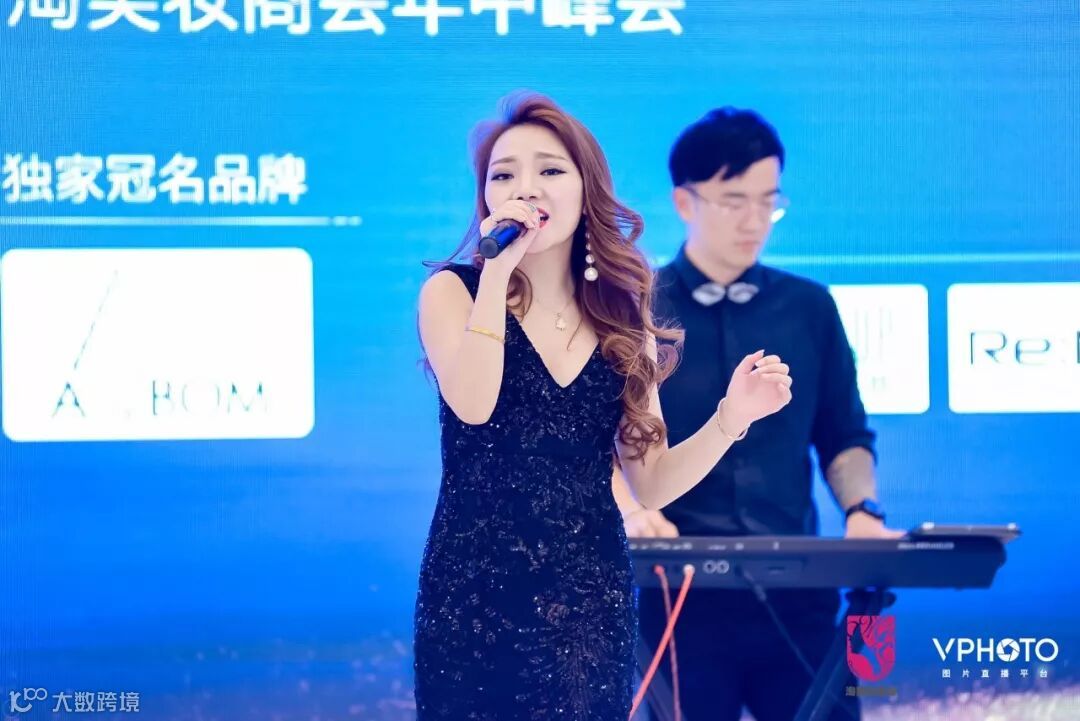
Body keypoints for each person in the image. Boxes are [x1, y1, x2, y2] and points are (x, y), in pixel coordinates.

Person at [412, 93, 794, 721]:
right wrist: (496, 275)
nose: (524, 188)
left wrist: (732, 418)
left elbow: (651, 482)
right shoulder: (453, 293)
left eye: (549, 170)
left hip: (590, 600)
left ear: (586, 188)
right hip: (474, 597)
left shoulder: (620, 318)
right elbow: (475, 405)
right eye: (503, 175)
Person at [613, 107, 904, 721]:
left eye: (768, 202)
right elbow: (599, 439)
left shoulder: (811, 307)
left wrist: (863, 511)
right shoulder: (636, 310)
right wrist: (636, 510)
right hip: (677, 595)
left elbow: (844, 433)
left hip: (800, 592)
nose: (754, 221)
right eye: (734, 201)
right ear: (685, 202)